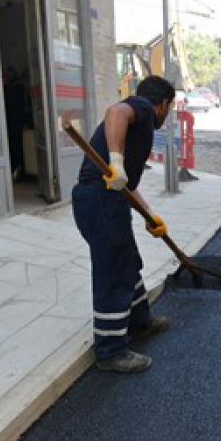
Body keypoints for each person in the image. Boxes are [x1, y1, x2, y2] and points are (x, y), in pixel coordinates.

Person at [72, 75, 175, 373]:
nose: (166, 116)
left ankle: (140, 323)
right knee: (113, 273)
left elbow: (125, 184)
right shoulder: (141, 108)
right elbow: (115, 112)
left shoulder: (137, 126)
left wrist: (149, 215)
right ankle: (110, 351)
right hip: (100, 201)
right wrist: (115, 161)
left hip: (107, 200)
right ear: (163, 104)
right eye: (168, 109)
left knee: (128, 262)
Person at [2, 66, 26, 181]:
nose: (5, 77)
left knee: (16, 147)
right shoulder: (12, 88)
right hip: (13, 122)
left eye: (6, 74)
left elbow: (12, 106)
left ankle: (18, 171)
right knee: (14, 147)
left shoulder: (16, 88)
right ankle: (17, 171)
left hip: (15, 122)